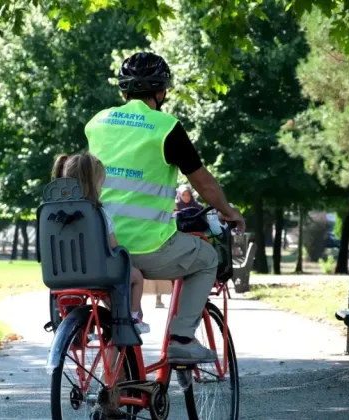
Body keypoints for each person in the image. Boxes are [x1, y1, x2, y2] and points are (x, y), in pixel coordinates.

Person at [85, 51, 246, 364]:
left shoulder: (97, 123)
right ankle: (182, 338)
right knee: (206, 258)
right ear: (162, 92)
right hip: (149, 247)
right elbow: (204, 185)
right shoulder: (166, 128)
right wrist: (228, 211)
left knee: (120, 317)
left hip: (102, 245)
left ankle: (115, 394)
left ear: (123, 91)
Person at [52, 152, 150, 335]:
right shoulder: (98, 213)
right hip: (97, 273)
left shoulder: (53, 213)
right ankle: (134, 318)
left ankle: (79, 328)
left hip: (60, 274)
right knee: (136, 276)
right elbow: (114, 247)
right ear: (93, 184)